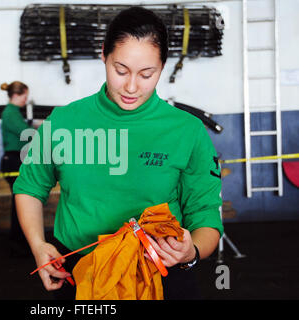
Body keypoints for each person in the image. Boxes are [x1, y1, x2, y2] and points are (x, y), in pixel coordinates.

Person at [13, 7, 223, 299]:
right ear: (103, 55)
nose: (131, 86)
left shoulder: (188, 131)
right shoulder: (64, 122)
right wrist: (38, 245)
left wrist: (191, 251)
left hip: (159, 273)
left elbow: (205, 213)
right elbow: (29, 187)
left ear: (162, 66)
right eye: (120, 70)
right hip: (81, 274)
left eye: (147, 74)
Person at [0, 81, 33, 257]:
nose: (26, 100)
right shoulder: (11, 113)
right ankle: (18, 242)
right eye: (24, 96)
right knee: (20, 203)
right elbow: (25, 133)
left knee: (20, 202)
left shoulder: (13, 113)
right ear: (16, 95)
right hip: (13, 160)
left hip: (14, 159)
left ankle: (20, 241)